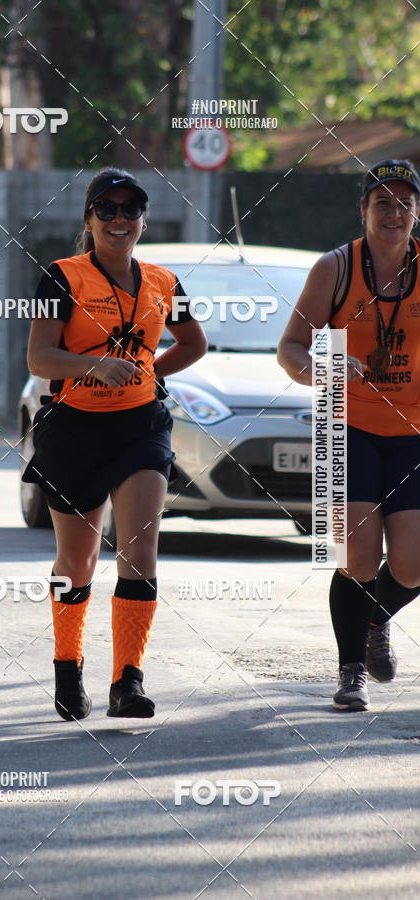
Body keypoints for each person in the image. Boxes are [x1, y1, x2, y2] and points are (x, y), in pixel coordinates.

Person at [23, 167, 207, 720]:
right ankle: (67, 666)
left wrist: (148, 374)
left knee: (139, 550)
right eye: (108, 209)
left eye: (131, 209)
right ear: (90, 219)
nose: (120, 219)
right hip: (74, 429)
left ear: (143, 220)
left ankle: (128, 681)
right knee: (76, 560)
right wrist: (93, 367)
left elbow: (193, 343)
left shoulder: (163, 282)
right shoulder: (62, 277)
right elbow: (39, 359)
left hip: (140, 428)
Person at [277, 159, 420, 712]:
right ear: (363, 211)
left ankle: (375, 617)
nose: (394, 212)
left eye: (404, 202)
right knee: (356, 557)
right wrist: (320, 371)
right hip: (348, 426)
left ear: (416, 213)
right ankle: (351, 671)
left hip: (412, 435)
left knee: (411, 565)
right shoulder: (335, 269)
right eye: (382, 202)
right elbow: (290, 347)